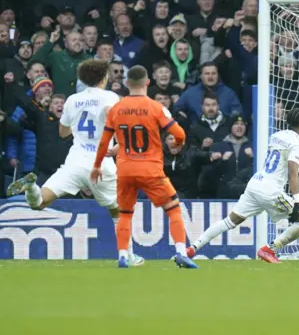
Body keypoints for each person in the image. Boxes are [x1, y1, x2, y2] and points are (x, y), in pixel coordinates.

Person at [6, 60, 144, 266]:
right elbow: (109, 112)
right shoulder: (110, 96)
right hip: (100, 163)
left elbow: (63, 133)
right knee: (120, 210)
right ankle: (127, 256)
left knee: (40, 202)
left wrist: (78, 128)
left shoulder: (73, 100)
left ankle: (31, 187)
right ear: (104, 77)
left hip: (74, 162)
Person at [90, 65, 198, 269]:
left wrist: (96, 166)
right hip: (150, 169)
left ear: (127, 83)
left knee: (124, 213)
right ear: (148, 82)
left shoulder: (116, 109)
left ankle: (123, 256)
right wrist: (179, 144)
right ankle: (181, 253)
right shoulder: (155, 107)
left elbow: (104, 142)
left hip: (125, 169)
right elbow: (179, 133)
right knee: (174, 209)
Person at [185, 108, 299, 263]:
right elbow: (291, 170)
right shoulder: (298, 144)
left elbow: (279, 162)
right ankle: (269, 249)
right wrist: (297, 200)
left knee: (229, 221)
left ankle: (192, 248)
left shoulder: (276, 136)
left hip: (255, 184)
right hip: (271, 191)